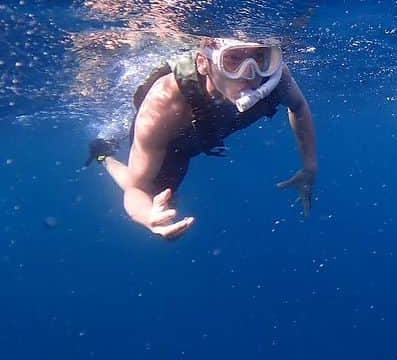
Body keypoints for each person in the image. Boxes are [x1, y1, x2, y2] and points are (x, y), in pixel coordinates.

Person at [87, 37, 317, 240]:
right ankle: (103, 154)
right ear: (203, 63)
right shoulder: (165, 102)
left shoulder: (275, 78)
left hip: (203, 132)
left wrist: (309, 168)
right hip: (174, 143)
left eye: (259, 57)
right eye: (233, 59)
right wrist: (148, 217)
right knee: (157, 197)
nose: (250, 73)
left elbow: (299, 107)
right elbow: (136, 189)